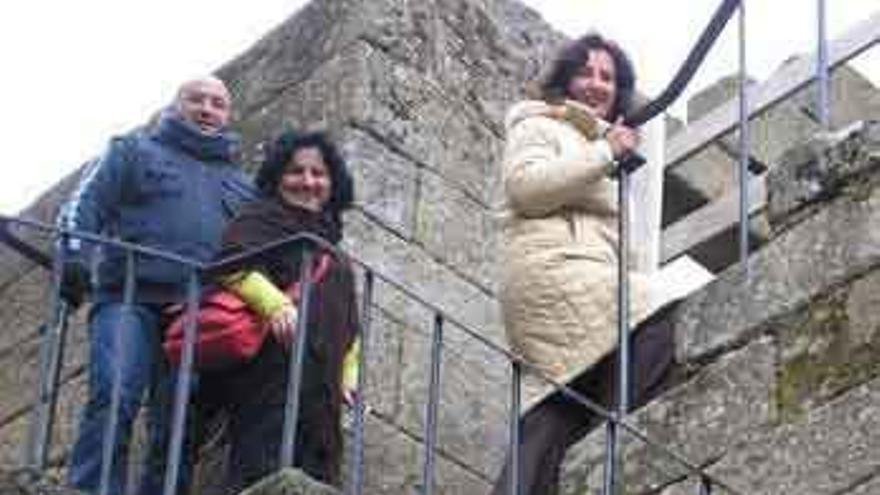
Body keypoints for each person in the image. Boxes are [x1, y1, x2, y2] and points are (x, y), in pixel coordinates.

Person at [490, 33, 679, 495]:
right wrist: (603, 153)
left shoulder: (599, 142)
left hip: (579, 272)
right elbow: (527, 188)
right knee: (656, 311)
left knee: (562, 400)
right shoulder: (539, 123)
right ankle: (613, 446)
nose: (597, 84)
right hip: (552, 268)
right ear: (566, 79)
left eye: (608, 77)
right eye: (587, 72)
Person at [58, 76, 255, 495]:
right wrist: (73, 256)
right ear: (175, 104)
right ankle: (92, 488)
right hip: (128, 298)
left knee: (179, 422)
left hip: (199, 314)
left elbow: (262, 253)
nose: (207, 109)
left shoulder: (243, 186)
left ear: (228, 114)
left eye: (218, 103)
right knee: (113, 393)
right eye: (196, 99)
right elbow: (83, 204)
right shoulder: (132, 151)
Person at [192, 130, 360, 492]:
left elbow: (351, 327)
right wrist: (276, 305)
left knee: (317, 475)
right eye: (296, 171)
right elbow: (230, 266)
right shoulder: (260, 220)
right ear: (277, 178)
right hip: (270, 372)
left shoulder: (335, 250)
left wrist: (349, 375)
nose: (308, 181)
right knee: (263, 467)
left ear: (333, 183)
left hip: (323, 388)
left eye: (319, 174)